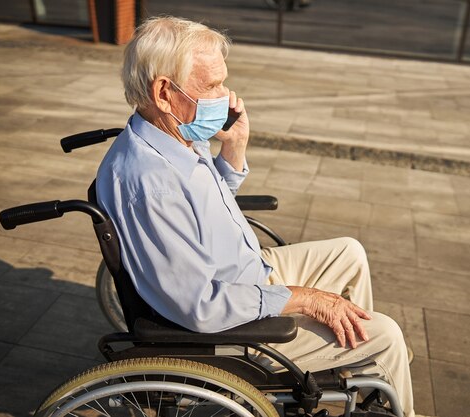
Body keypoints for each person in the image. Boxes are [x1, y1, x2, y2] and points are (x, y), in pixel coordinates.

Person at [96, 16, 414, 417]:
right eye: (211, 85)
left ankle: (349, 361)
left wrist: (233, 149)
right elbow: (200, 304)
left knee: (348, 253)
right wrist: (305, 300)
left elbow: (203, 210)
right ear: (164, 91)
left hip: (246, 271)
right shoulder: (149, 182)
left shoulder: (174, 135)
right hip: (230, 318)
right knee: (385, 334)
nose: (225, 96)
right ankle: (374, 363)